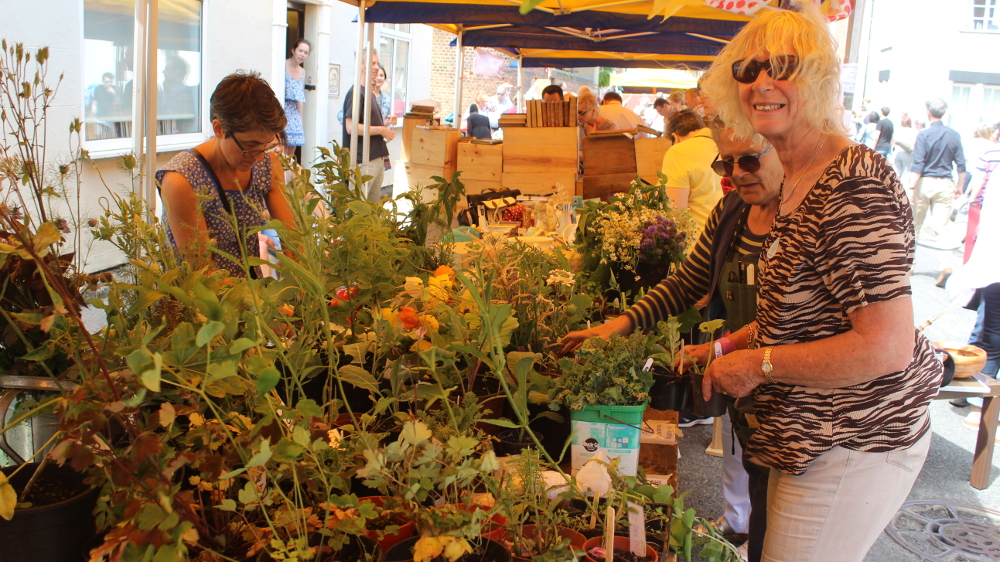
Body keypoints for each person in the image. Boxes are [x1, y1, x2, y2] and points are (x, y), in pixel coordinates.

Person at [698, 5, 941, 561]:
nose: (762, 82)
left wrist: (758, 364)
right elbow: (804, 311)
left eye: (782, 65)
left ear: (818, 78)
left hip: (857, 438)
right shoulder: (798, 175)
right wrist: (731, 343)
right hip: (810, 436)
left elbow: (885, 345)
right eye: (747, 69)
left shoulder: (851, 184)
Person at [560, 120, 782, 562]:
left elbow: (791, 318)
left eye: (751, 160)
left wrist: (720, 348)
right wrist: (618, 324)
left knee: (783, 529)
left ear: (784, 150)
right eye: (728, 161)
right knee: (756, 490)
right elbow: (686, 282)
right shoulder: (733, 210)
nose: (737, 172)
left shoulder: (803, 217)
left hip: (801, 405)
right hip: (751, 395)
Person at [157, 71, 295, 279]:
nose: (259, 158)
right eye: (250, 146)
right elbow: (201, 272)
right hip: (204, 304)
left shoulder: (268, 163)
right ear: (219, 129)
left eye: (266, 146)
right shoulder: (181, 179)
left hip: (252, 293)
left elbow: (293, 239)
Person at [946, 169, 1000, 415]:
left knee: (989, 334)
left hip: (992, 267)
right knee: (990, 335)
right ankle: (979, 405)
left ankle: (973, 398)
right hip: (993, 267)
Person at [910, 98, 966, 247]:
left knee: (915, 225)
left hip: (925, 182)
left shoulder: (924, 135)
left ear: (928, 112)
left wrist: (911, 188)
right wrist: (960, 185)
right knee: (941, 226)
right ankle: (945, 263)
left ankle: (909, 265)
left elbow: (918, 164)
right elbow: (961, 164)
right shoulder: (954, 135)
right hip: (946, 183)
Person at [342, 52, 395, 202]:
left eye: (377, 63)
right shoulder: (356, 93)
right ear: (361, 64)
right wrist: (381, 130)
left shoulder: (369, 93)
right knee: (359, 207)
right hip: (362, 160)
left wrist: (384, 125)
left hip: (375, 157)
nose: (377, 67)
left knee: (371, 210)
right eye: (372, 63)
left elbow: (367, 125)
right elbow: (351, 127)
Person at [662, 109, 722, 229]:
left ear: (675, 137)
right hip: (727, 236)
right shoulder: (722, 144)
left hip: (699, 240)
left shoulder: (678, 151)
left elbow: (676, 214)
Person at [284, 39, 311, 158]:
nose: (302, 54)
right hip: (283, 111)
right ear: (293, 50)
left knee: (290, 154)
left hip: (294, 114)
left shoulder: (302, 72)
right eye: (300, 50)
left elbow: (300, 97)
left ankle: (289, 176)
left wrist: (300, 119)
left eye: (306, 52)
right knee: (281, 151)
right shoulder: (282, 65)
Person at [893, 112, 917, 177]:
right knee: (906, 173)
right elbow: (914, 143)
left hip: (897, 152)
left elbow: (894, 142)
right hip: (907, 153)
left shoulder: (898, 130)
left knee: (897, 172)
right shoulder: (912, 131)